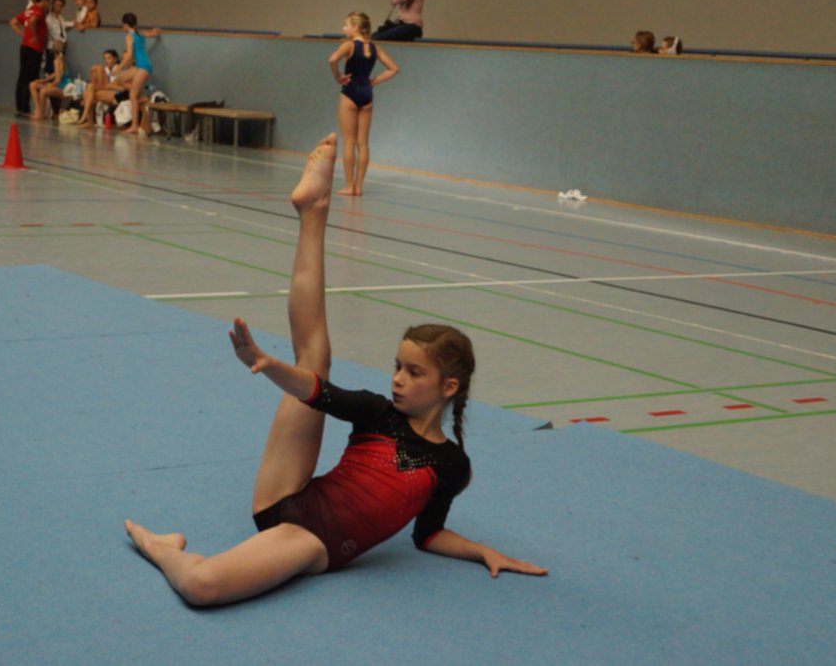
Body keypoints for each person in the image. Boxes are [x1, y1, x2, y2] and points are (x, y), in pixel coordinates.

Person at [124, 135, 548, 607]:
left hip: (312, 541)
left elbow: (427, 535)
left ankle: (164, 547)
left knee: (202, 586)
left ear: (448, 386)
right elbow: (316, 392)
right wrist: (269, 366)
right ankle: (314, 210)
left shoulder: (452, 466)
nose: (398, 379)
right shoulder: (377, 413)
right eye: (397, 367)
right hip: (287, 498)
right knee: (314, 356)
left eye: (414, 373)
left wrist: (482, 551)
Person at [328, 12, 399, 197]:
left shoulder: (349, 45)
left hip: (350, 92)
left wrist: (337, 76)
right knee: (363, 143)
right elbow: (394, 69)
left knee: (349, 141)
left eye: (346, 25)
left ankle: (349, 186)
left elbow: (332, 59)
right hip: (367, 94)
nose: (344, 28)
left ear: (356, 27)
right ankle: (359, 187)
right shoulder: (374, 47)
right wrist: (373, 81)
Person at [113, 13, 162, 135]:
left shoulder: (129, 36)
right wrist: (156, 31)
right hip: (141, 66)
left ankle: (134, 125)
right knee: (120, 79)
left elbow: (129, 55)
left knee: (132, 95)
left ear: (125, 24)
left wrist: (118, 67)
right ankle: (142, 96)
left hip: (143, 67)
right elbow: (153, 33)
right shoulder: (140, 33)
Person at [10, 0, 50, 115]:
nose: (48, 4)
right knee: (31, 78)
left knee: (23, 76)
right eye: (47, 1)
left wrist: (23, 35)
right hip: (34, 48)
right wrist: (34, 35)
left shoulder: (28, 10)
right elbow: (33, 21)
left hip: (24, 46)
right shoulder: (39, 11)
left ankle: (20, 106)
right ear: (43, 0)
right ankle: (26, 107)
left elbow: (13, 22)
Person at [76, 49, 126, 127]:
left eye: (109, 58)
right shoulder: (106, 69)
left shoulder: (120, 70)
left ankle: (88, 118)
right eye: (104, 58)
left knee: (97, 69)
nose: (106, 61)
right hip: (105, 89)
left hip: (115, 93)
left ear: (115, 59)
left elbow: (123, 89)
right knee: (91, 84)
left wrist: (112, 86)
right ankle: (88, 119)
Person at [28, 41, 71, 120]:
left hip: (63, 87)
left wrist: (51, 85)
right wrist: (43, 81)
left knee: (43, 91)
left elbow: (58, 79)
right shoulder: (61, 59)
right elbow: (56, 73)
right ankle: (38, 109)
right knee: (33, 84)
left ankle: (40, 113)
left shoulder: (57, 61)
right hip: (63, 85)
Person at [44, 0, 70, 74]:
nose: (58, 8)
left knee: (59, 69)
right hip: (52, 47)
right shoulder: (49, 18)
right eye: (57, 5)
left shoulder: (61, 17)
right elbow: (48, 32)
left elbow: (64, 26)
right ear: (53, 5)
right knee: (51, 68)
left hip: (61, 46)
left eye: (61, 6)